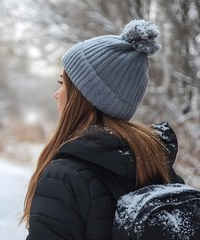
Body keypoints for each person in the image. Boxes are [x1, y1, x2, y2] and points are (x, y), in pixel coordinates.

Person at [22, 19, 185, 240]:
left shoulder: (64, 177)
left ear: (84, 96)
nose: (56, 93)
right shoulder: (156, 164)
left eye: (62, 83)